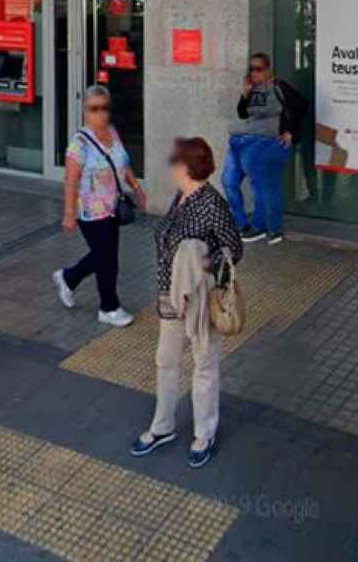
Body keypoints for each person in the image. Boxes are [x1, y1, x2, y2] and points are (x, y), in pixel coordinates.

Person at [129, 137, 243, 469]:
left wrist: (203, 265)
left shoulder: (212, 204)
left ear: (187, 167)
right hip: (169, 295)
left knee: (204, 364)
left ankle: (203, 433)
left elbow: (234, 249)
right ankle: (162, 427)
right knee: (165, 359)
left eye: (175, 162)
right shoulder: (181, 196)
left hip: (199, 298)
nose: (171, 168)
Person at [52, 84, 147, 328]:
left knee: (104, 255)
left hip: (112, 206)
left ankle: (68, 277)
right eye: (94, 109)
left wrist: (136, 187)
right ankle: (109, 307)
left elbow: (123, 165)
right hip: (89, 211)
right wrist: (69, 213)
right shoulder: (79, 144)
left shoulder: (112, 133)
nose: (101, 114)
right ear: (85, 111)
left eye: (105, 108)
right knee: (107, 259)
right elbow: (70, 180)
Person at [224, 52, 306, 245]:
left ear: (268, 70)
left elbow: (302, 105)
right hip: (240, 140)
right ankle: (243, 224)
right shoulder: (252, 88)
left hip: (263, 142)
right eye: (251, 69)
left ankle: (263, 226)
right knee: (229, 181)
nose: (254, 73)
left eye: (258, 69)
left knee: (262, 185)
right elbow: (243, 113)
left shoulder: (279, 87)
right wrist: (245, 94)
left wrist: (290, 132)